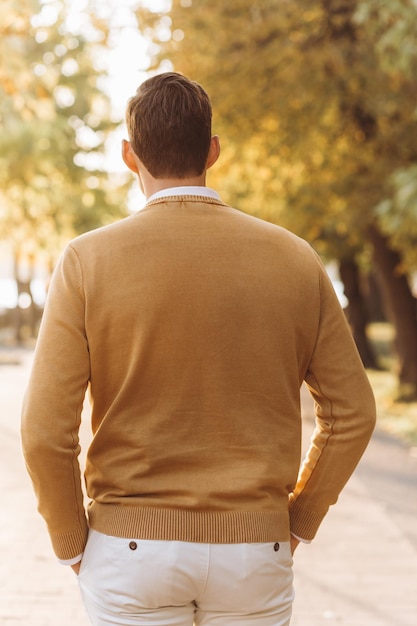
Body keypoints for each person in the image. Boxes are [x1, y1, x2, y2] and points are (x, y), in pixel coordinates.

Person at [21, 72, 376, 626]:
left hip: (129, 552)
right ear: (212, 151)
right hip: (254, 552)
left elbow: (46, 430)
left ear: (128, 156)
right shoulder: (296, 260)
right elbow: (353, 413)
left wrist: (71, 542)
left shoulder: (86, 262)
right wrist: (299, 518)